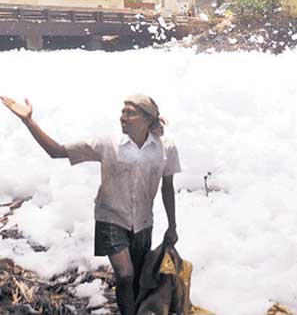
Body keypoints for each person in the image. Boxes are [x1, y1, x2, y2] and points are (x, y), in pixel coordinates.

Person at [0, 94, 181, 315]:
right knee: (125, 274)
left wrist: (172, 226)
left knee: (138, 279)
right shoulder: (107, 144)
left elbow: (168, 188)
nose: (122, 117)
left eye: (130, 113)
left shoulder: (165, 148)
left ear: (147, 118)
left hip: (143, 222)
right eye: (122, 112)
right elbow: (56, 151)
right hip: (110, 218)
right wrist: (28, 121)